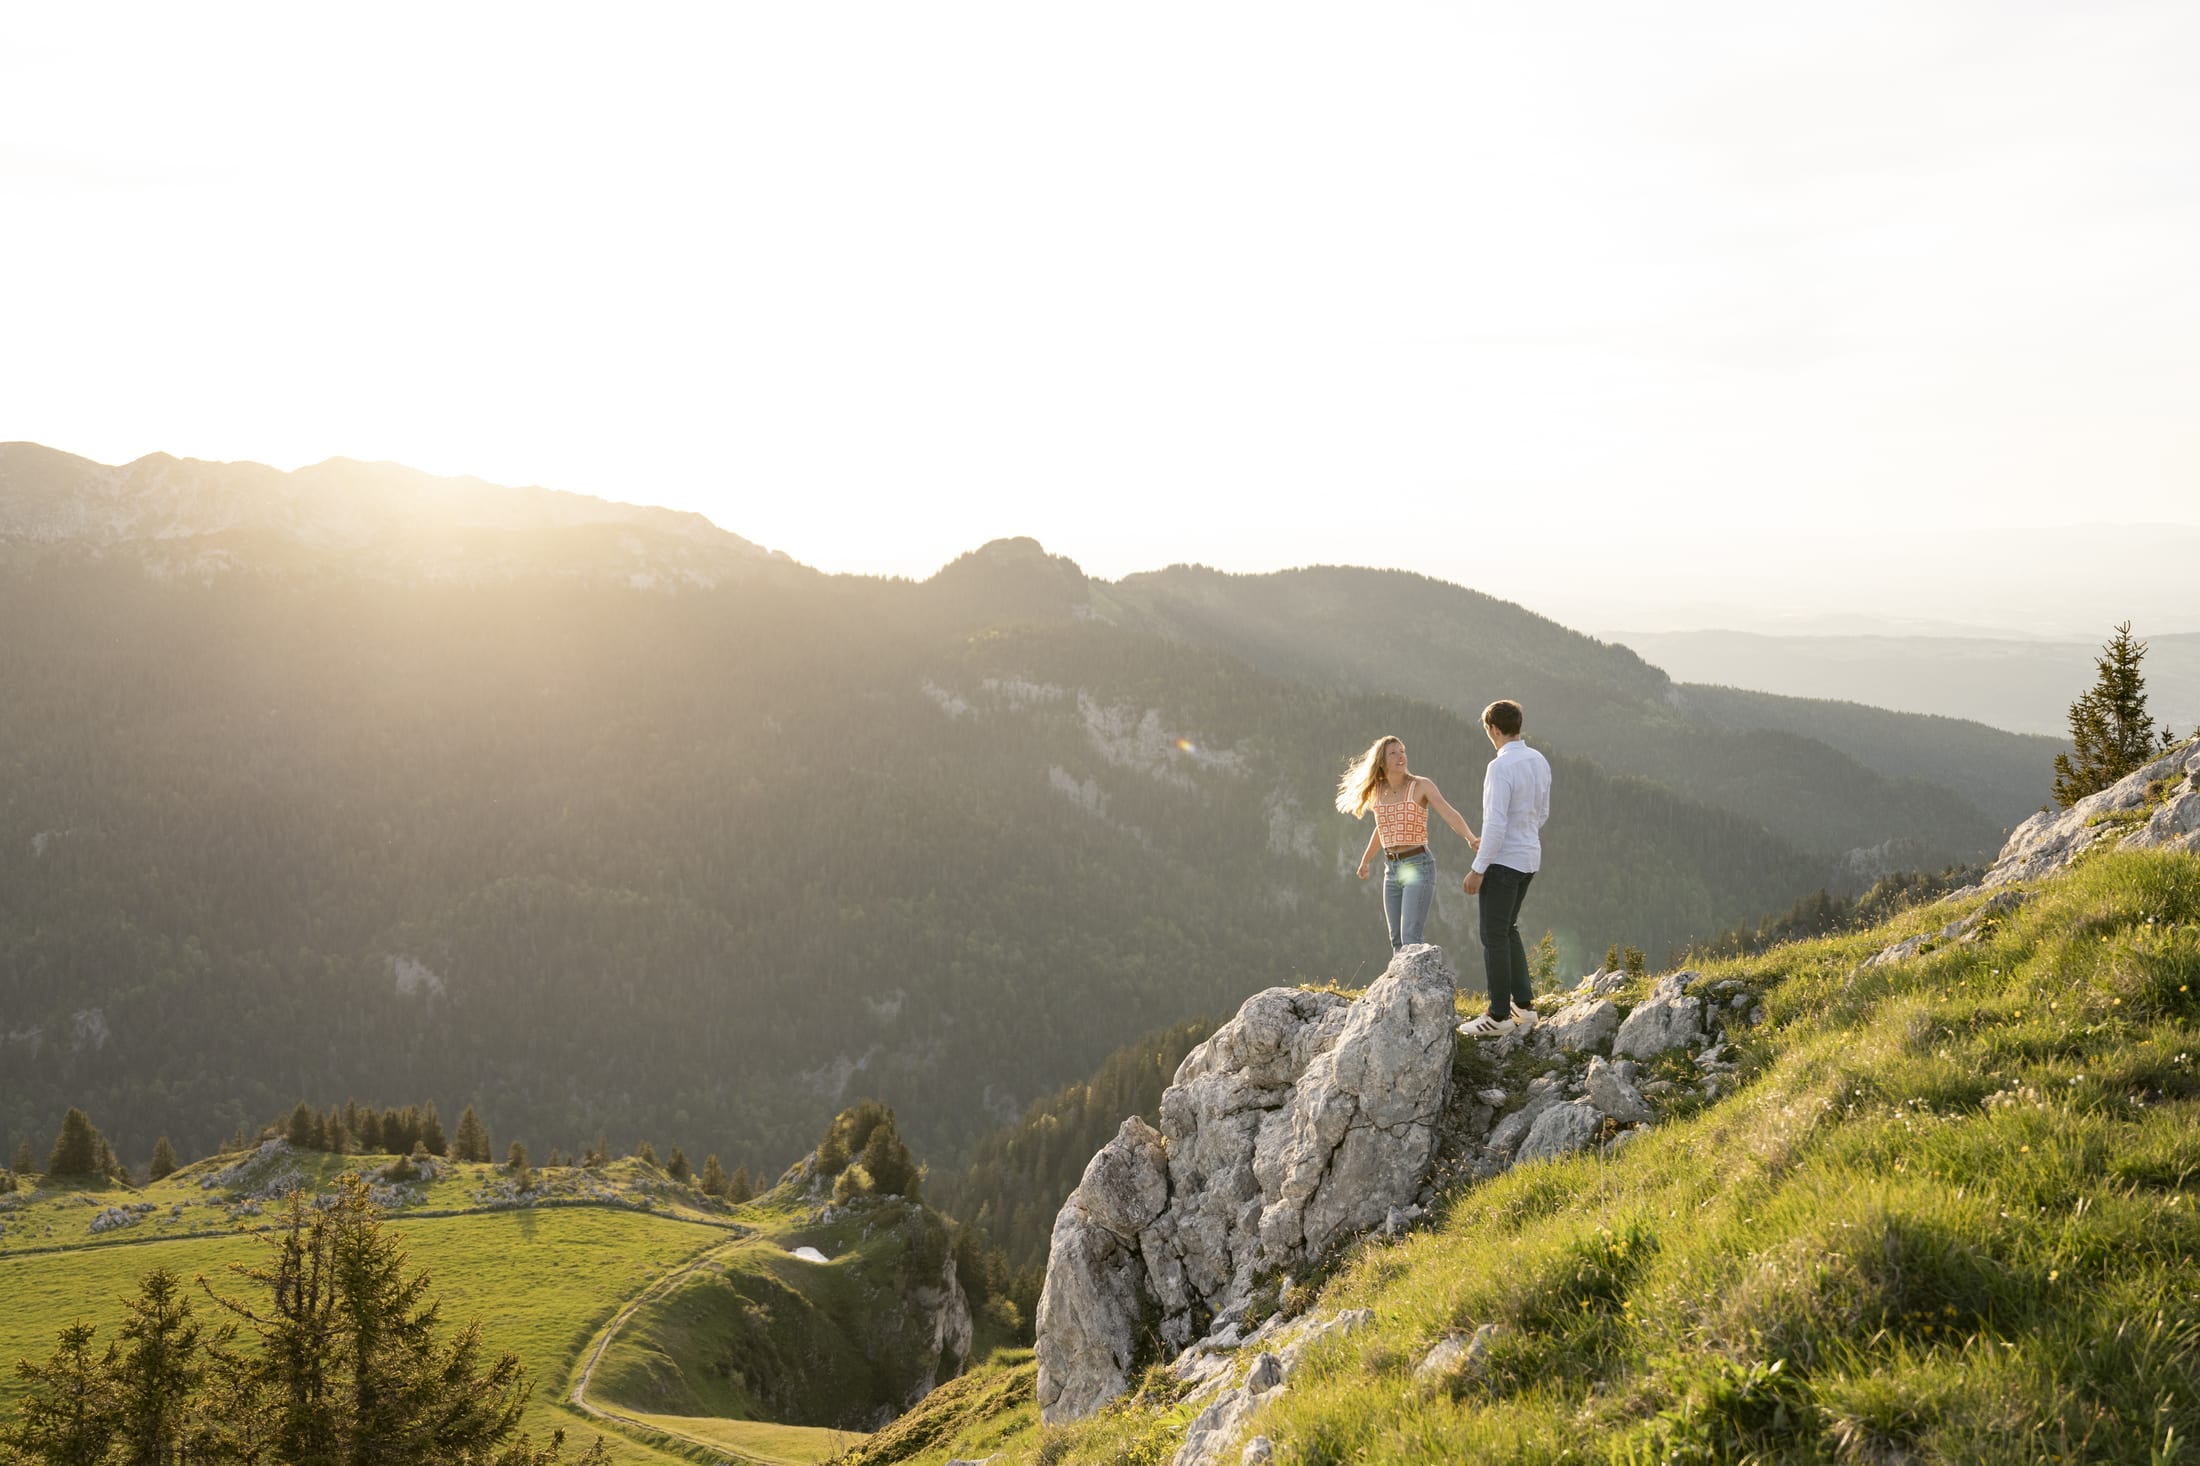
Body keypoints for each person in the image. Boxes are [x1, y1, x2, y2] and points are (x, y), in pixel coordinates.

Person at [1457, 699, 1553, 1037]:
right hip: (1529, 858)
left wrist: (1478, 868)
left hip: (1502, 862)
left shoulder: (1499, 768)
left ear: (1494, 729)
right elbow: (1541, 814)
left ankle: (1497, 1015)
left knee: (1492, 935)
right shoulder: (1538, 760)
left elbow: (1496, 823)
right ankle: (1523, 1007)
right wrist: (1513, 837)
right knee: (1508, 928)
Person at [1335, 735, 1479, 950]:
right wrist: (1366, 860)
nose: (1400, 756)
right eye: (1393, 753)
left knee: (1410, 936)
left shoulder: (1421, 786)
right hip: (1391, 869)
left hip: (1418, 865)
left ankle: (1417, 982)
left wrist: (1470, 837)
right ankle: (1402, 984)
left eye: (1402, 751)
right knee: (1396, 939)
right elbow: (1383, 827)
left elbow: (1448, 813)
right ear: (1381, 762)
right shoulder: (1378, 791)